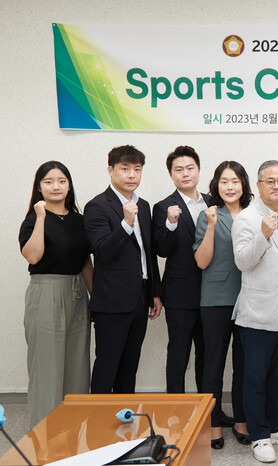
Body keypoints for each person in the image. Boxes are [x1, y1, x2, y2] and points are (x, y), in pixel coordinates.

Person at [232, 160, 278, 463]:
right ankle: (259, 435)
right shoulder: (247, 217)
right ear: (259, 185)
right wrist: (262, 235)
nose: (276, 186)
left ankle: (276, 426)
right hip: (257, 312)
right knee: (255, 378)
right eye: (270, 181)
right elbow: (242, 262)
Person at [19, 161, 93, 428]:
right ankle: (43, 437)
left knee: (77, 369)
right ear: (39, 187)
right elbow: (33, 256)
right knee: (47, 370)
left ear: (69, 185)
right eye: (48, 182)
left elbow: (85, 262)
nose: (56, 186)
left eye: (62, 181)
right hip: (46, 293)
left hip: (77, 295)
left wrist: (95, 298)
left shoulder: (79, 220)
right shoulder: (32, 220)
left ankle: (72, 434)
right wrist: (40, 217)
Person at [84, 145, 162, 394]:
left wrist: (154, 292)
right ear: (110, 170)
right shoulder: (97, 206)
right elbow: (102, 251)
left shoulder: (144, 205)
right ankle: (98, 417)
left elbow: (148, 253)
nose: (131, 175)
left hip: (140, 297)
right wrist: (126, 223)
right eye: (125, 168)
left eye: (137, 169)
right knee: (107, 365)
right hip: (111, 302)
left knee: (129, 367)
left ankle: (124, 415)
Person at [193, 161, 253, 449]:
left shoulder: (255, 213)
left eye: (235, 181)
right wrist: (211, 227)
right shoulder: (209, 215)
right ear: (216, 185)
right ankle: (213, 422)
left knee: (244, 363)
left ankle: (241, 420)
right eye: (224, 181)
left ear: (244, 185)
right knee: (213, 364)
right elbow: (201, 261)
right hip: (216, 298)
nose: (230, 187)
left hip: (251, 297)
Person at [152, 146, 208, 395]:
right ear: (171, 174)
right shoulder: (163, 207)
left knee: (208, 355)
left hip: (212, 292)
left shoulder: (214, 202)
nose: (185, 174)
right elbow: (161, 249)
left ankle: (209, 408)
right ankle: (175, 408)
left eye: (190, 168)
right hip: (179, 294)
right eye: (179, 170)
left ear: (198, 170)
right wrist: (170, 223)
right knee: (178, 353)